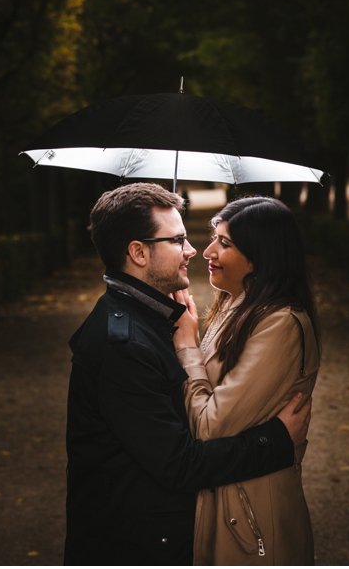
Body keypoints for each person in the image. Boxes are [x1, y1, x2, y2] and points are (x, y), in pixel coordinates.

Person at [65, 183, 312, 565]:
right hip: (134, 549)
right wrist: (276, 442)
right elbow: (181, 463)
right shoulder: (124, 343)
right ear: (138, 252)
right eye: (178, 239)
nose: (194, 250)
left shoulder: (151, 316)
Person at [172, 197, 321, 565]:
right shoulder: (235, 304)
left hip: (251, 519)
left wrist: (187, 345)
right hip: (222, 498)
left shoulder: (280, 323)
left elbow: (208, 425)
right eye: (213, 237)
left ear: (259, 256)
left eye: (225, 242)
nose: (208, 250)